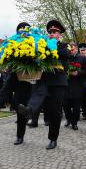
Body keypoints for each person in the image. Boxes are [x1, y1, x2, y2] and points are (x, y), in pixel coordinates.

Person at [0, 22, 33, 145]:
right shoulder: (13, 43)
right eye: (20, 31)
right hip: (14, 75)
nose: (22, 33)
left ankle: (20, 136)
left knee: (21, 107)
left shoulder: (34, 42)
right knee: (4, 90)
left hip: (27, 79)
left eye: (24, 30)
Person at [18, 20, 69, 149]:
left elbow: (64, 57)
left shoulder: (63, 46)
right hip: (44, 80)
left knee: (54, 112)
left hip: (58, 83)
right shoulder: (42, 45)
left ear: (59, 35)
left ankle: (53, 139)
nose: (52, 34)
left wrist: (52, 46)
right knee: (37, 96)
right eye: (50, 32)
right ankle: (29, 111)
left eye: (55, 32)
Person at [63, 42, 86, 130]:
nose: (71, 51)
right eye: (69, 49)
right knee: (65, 105)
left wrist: (78, 73)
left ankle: (74, 122)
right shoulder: (65, 58)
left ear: (76, 49)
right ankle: (68, 119)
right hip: (66, 84)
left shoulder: (82, 58)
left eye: (72, 49)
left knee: (76, 106)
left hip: (78, 84)